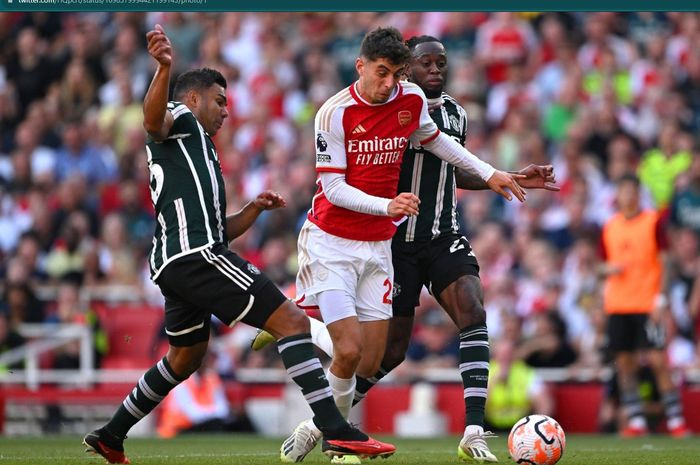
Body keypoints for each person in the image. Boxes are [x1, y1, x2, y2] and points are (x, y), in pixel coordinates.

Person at [81, 24, 395, 465]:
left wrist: (252, 210)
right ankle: (336, 429)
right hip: (194, 256)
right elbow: (152, 121)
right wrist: (164, 69)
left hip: (178, 259)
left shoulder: (199, 150)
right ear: (193, 99)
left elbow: (215, 228)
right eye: (220, 101)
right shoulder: (180, 118)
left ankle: (111, 435)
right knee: (289, 320)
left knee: (185, 358)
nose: (226, 111)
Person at [272, 29, 547, 464]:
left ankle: (473, 429)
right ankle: (319, 405)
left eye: (441, 63)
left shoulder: (437, 111)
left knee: (470, 312)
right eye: (423, 64)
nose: (433, 70)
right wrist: (387, 205)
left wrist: (500, 174)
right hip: (387, 235)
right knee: (378, 353)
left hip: (436, 234)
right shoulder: (337, 113)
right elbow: (334, 186)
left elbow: (448, 157)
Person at [599, 173, 689, 438]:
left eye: (631, 191)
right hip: (618, 305)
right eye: (623, 191)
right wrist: (607, 269)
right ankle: (636, 420)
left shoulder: (653, 222)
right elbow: (600, 265)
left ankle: (676, 420)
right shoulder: (610, 226)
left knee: (658, 361)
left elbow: (666, 262)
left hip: (648, 303)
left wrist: (662, 299)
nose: (627, 196)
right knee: (625, 363)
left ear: (638, 194)